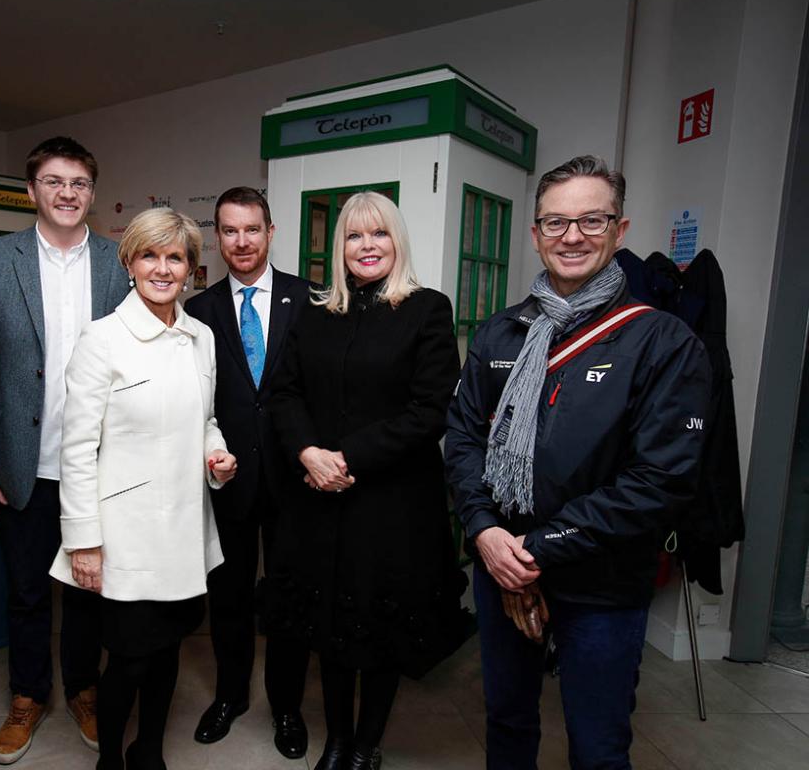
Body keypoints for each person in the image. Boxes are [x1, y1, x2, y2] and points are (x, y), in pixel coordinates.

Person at [444, 156, 712, 769]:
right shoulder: (501, 332)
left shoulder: (663, 342)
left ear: (620, 230)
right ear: (535, 234)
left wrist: (535, 549)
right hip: (500, 563)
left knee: (597, 743)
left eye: (591, 220)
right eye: (556, 222)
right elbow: (462, 437)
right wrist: (484, 531)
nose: (572, 237)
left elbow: (660, 481)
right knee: (508, 723)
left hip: (601, 583)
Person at [267, 191, 466, 770]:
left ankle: (365, 744)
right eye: (355, 236)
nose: (367, 246)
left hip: (391, 505)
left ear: (396, 241)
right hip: (320, 503)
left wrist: (342, 456)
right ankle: (335, 739)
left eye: (379, 234)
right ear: (340, 247)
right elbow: (284, 392)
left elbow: (430, 410)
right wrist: (307, 451)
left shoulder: (428, 309)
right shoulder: (315, 313)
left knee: (379, 630)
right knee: (329, 627)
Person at [50, 208, 237, 770]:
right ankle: (112, 760)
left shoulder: (201, 338)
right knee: (128, 662)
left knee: (167, 655)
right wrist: (83, 541)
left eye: (175, 257)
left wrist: (216, 455)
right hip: (124, 540)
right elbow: (77, 448)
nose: (162, 268)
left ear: (190, 269)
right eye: (150, 255)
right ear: (129, 262)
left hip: (182, 532)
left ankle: (149, 753)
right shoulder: (102, 339)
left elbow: (203, 420)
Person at [0, 136, 129, 764]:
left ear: (92, 192)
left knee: (91, 591)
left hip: (98, 464)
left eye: (80, 183)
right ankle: (28, 694)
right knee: (28, 591)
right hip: (21, 463)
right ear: (32, 189)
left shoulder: (120, 263)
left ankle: (85, 689)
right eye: (55, 182)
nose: (68, 194)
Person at [183, 187, 312, 758]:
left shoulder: (310, 300)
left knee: (288, 597)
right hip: (226, 479)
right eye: (229, 231)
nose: (241, 241)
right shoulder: (198, 311)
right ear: (217, 236)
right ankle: (231, 695)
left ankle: (286, 706)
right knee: (228, 596)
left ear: (270, 231)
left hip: (294, 480)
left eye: (252, 229)